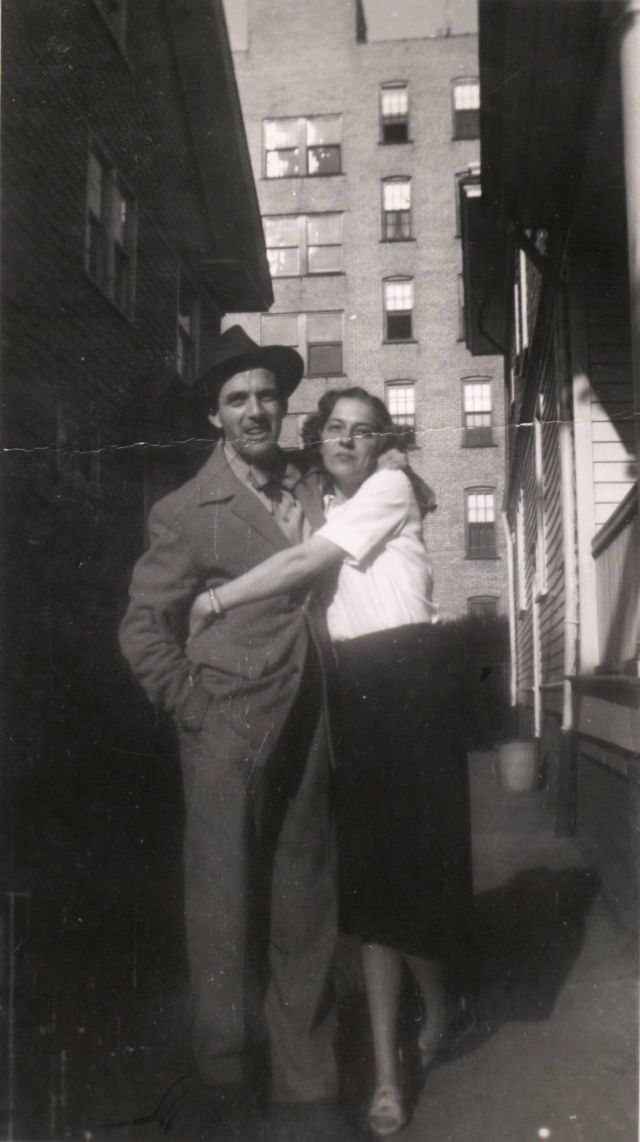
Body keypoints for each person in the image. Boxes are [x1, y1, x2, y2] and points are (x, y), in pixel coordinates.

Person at [189, 387, 473, 1137]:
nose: (345, 441)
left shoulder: (390, 486)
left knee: (415, 876)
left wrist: (218, 604)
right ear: (320, 438)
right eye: (334, 429)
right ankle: (386, 1076)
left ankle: (441, 1008)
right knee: (371, 888)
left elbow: (309, 561)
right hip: (350, 690)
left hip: (411, 682)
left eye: (364, 431)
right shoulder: (318, 495)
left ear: (383, 442)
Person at [118, 326, 338, 1113]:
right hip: (225, 729)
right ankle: (224, 1080)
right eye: (237, 399)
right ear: (215, 416)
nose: (254, 410)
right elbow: (142, 628)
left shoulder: (312, 491)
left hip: (310, 719)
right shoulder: (185, 510)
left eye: (266, 396)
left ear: (283, 405)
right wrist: (195, 708)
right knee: (221, 907)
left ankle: (307, 1084)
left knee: (305, 900)